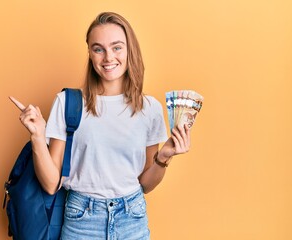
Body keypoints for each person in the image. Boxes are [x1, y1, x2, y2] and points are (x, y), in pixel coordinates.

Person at [10, 12, 191, 240]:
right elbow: (50, 184)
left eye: (117, 47)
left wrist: (164, 157)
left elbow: (145, 184)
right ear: (90, 53)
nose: (108, 57)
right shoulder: (68, 103)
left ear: (129, 50)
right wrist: (37, 136)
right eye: (98, 49)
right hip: (82, 220)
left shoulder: (149, 108)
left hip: (132, 218)